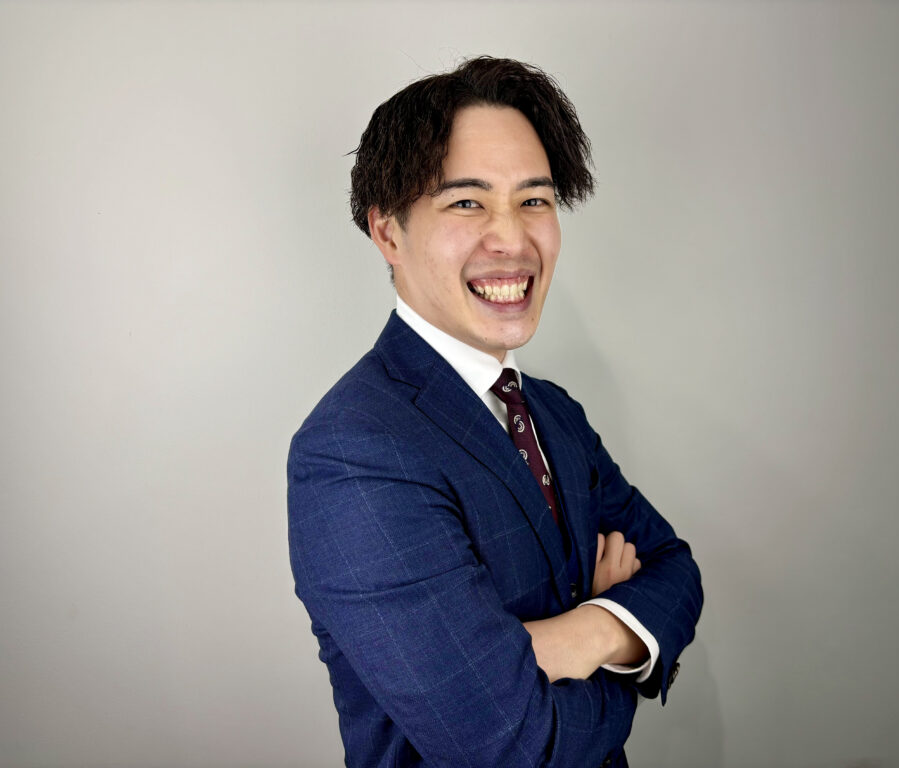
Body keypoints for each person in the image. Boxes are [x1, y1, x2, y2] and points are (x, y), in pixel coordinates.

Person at [288, 56, 703, 768]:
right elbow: (512, 745)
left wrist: (584, 633)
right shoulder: (353, 451)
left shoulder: (553, 413)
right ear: (388, 232)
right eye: (467, 203)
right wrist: (620, 635)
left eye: (534, 200)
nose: (512, 239)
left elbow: (674, 569)